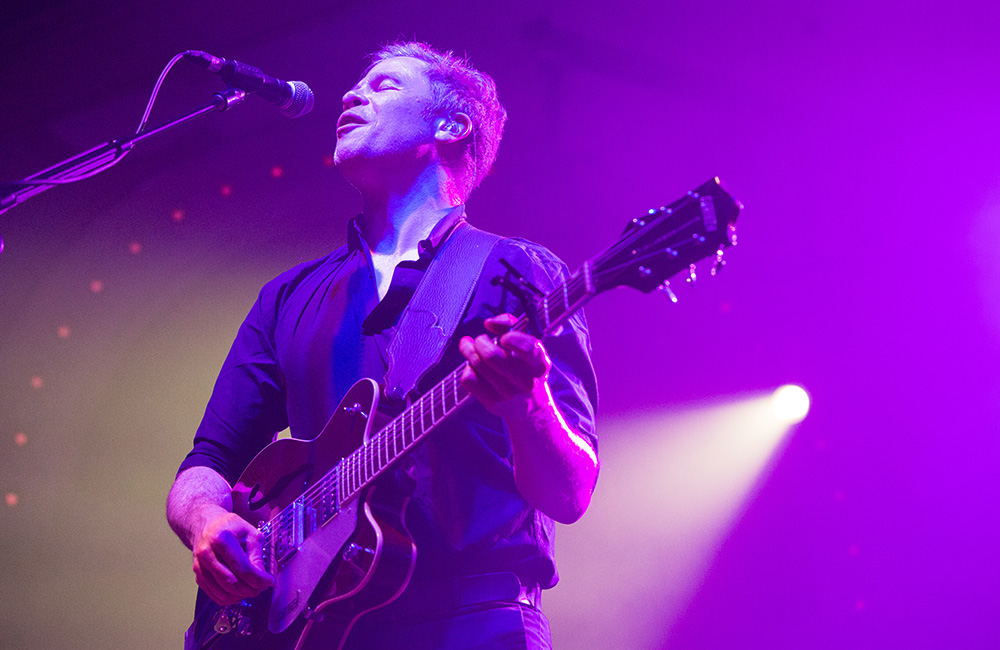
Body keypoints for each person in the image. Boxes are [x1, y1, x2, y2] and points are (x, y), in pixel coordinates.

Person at [166, 41, 599, 650]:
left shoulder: (515, 272)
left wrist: (526, 404)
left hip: (472, 621)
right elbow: (206, 463)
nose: (350, 95)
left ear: (451, 126)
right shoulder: (287, 296)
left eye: (386, 85)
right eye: (356, 85)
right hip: (312, 631)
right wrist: (208, 522)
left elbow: (569, 493)